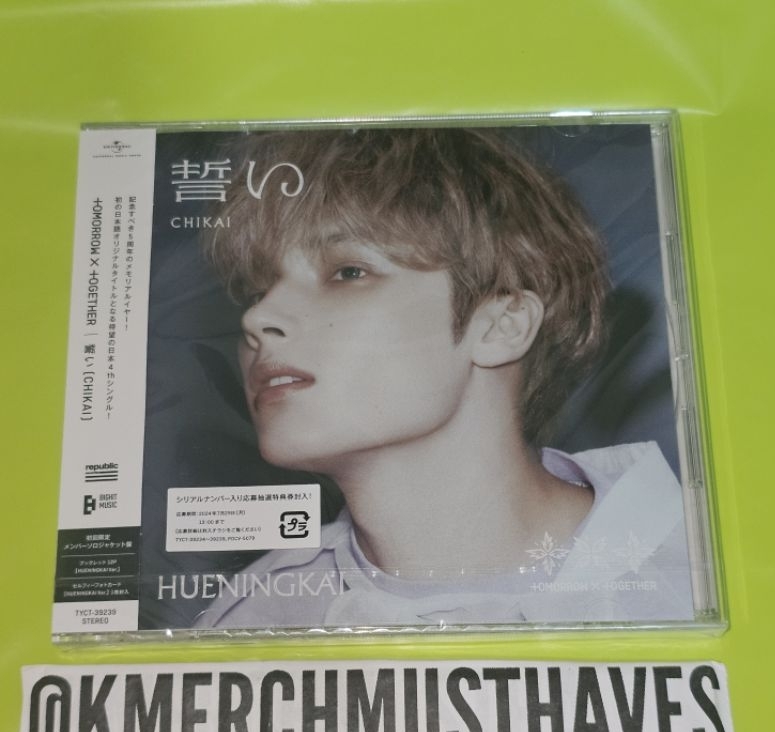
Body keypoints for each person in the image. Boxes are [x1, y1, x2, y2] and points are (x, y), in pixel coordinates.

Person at [194, 128, 694, 630]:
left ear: (502, 326)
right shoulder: (252, 617)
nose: (258, 317)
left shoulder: (694, 576)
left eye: (348, 272)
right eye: (256, 290)